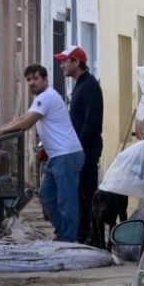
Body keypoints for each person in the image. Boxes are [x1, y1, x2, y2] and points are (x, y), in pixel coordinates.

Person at [0, 64, 84, 242]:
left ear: (45, 80)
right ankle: (63, 234)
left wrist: (0, 132)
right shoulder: (41, 99)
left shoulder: (47, 96)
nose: (32, 83)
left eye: (35, 78)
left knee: (67, 201)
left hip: (66, 155)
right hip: (55, 157)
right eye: (28, 80)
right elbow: (23, 118)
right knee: (47, 197)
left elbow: (27, 123)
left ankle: (69, 239)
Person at [56, 46, 104, 244]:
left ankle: (94, 237)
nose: (62, 65)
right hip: (79, 150)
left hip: (86, 151)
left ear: (77, 62)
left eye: (66, 61)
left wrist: (77, 147)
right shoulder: (80, 85)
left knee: (87, 195)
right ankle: (83, 235)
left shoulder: (90, 86)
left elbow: (91, 123)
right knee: (80, 195)